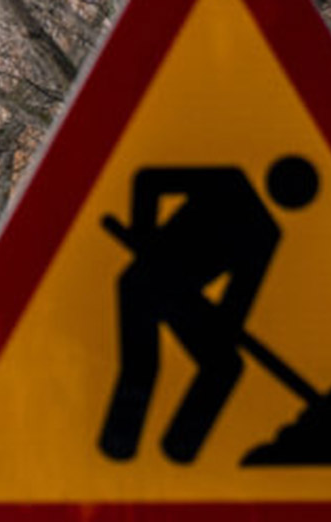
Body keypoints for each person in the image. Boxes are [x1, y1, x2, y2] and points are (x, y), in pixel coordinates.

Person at [99, 155, 319, 463]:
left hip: (181, 299)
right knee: (143, 366)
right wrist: (145, 236)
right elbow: (148, 180)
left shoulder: (266, 235)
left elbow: (236, 305)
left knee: (224, 366)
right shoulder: (230, 184)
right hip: (143, 284)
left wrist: (223, 326)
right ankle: (117, 450)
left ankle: (179, 451)